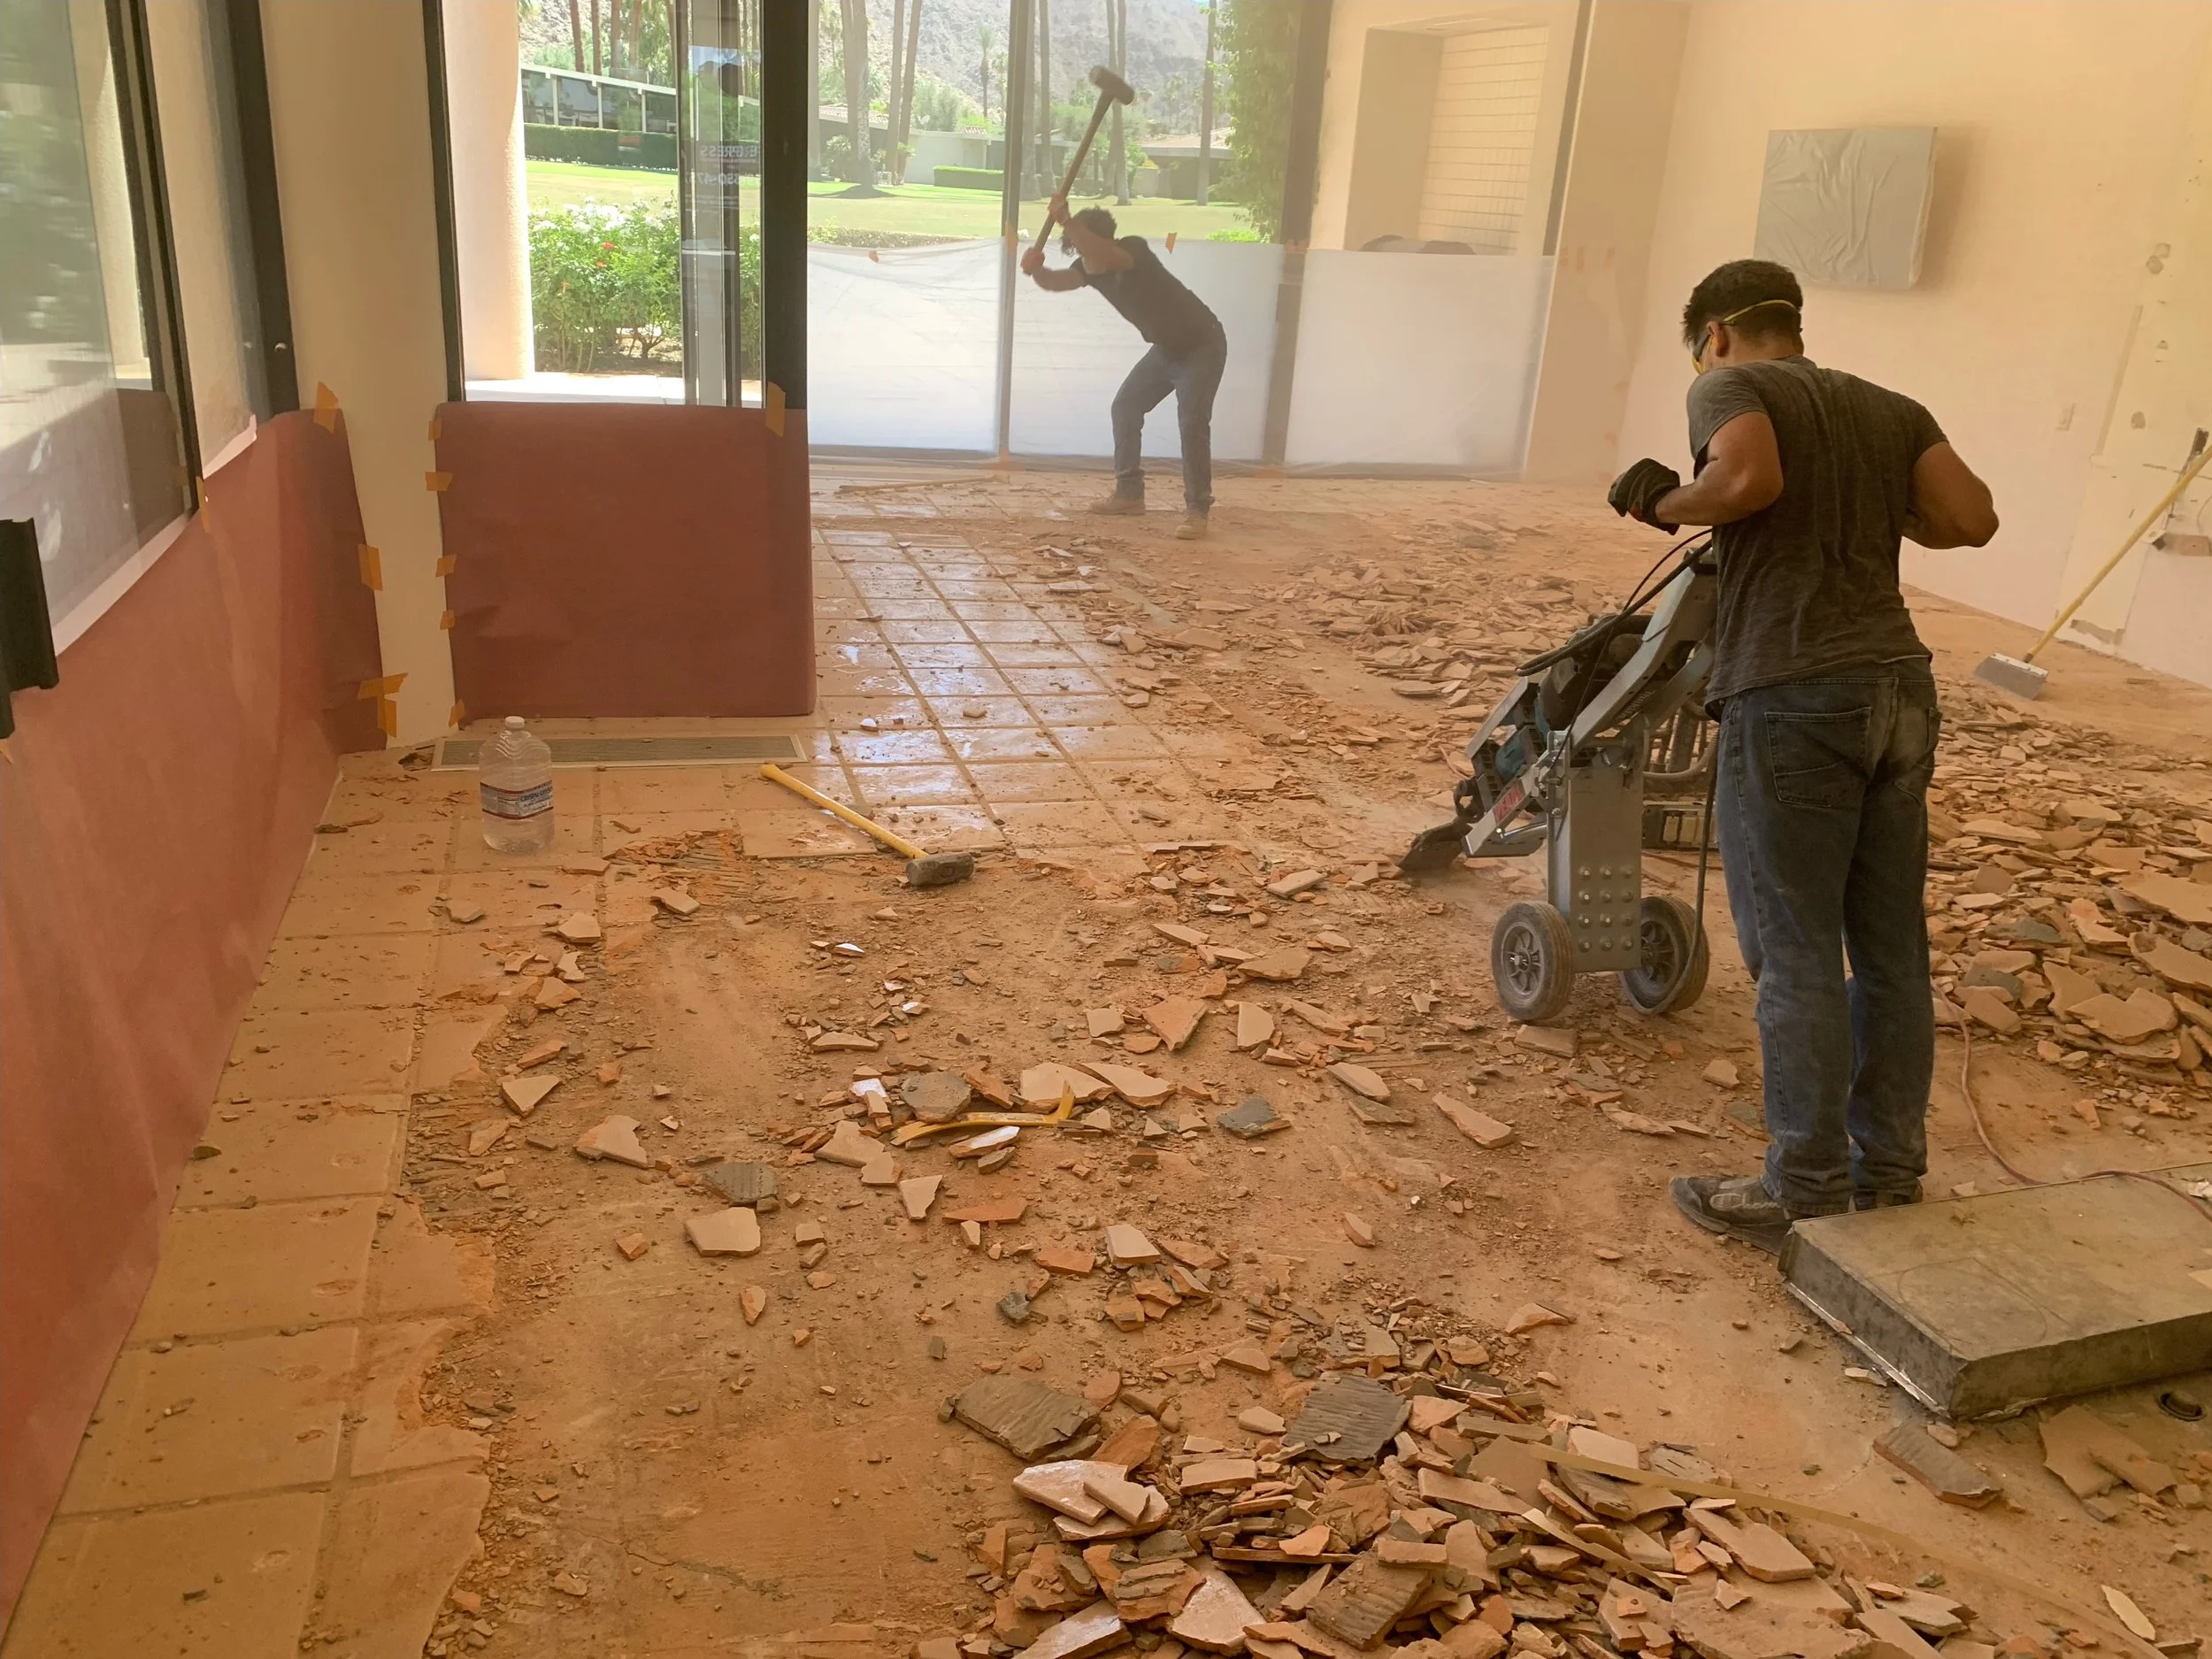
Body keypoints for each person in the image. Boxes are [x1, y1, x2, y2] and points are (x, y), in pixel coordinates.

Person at [1606, 258, 1998, 1255]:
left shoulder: (1729, 385)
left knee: (1793, 954)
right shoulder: (1889, 406)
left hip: (1794, 693)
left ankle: (1805, 1187)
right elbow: (1970, 519)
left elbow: (1748, 480)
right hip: (1899, 692)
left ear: (1718, 332)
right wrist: (1866, 510)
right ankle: (1888, 1171)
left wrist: (1662, 502)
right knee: (1890, 950)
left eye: (1700, 345)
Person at [1021, 198, 1227, 541]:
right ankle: (1129, 494)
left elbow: (1108, 255)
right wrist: (1037, 271)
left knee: (1192, 422)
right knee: (1126, 406)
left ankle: (1197, 509)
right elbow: (1057, 283)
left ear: (1103, 239)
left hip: (1202, 344)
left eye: (1088, 241)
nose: (1084, 252)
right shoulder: (1088, 267)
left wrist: (1068, 220)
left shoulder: (1131, 249)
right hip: (1166, 349)